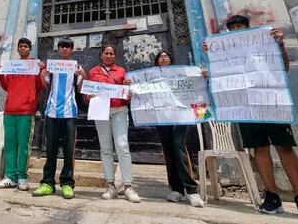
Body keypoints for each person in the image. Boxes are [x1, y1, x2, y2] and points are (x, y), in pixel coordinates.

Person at [216, 15, 298, 219]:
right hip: (246, 107)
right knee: (259, 149)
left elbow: (284, 68)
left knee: (284, 148)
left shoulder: (267, 44)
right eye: (233, 27)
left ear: (248, 27)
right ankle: (272, 197)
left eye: (240, 26)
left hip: (272, 104)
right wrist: (212, 58)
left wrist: (280, 45)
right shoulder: (226, 51)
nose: (237, 29)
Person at [32, 38, 86, 199]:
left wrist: (84, 75)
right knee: (51, 149)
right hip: (52, 112)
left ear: (71, 50)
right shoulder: (52, 66)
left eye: (67, 47)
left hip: (70, 113)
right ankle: (47, 183)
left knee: (69, 151)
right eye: (62, 47)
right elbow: (46, 86)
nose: (64, 49)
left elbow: (81, 88)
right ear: (59, 49)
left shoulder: (77, 67)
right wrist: (42, 76)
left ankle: (67, 184)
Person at [86, 45, 141, 203]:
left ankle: (128, 186)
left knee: (122, 145)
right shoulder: (93, 72)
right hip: (101, 111)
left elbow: (127, 96)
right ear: (101, 55)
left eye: (111, 53)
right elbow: (88, 94)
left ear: (115, 56)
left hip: (119, 110)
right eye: (106, 53)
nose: (108, 55)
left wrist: (127, 88)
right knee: (105, 148)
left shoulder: (122, 72)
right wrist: (88, 96)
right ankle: (111, 186)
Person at [153, 50, 205, 208]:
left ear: (170, 60)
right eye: (161, 56)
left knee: (179, 146)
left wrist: (203, 75)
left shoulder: (180, 74)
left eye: (166, 56)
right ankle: (176, 188)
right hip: (162, 117)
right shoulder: (151, 77)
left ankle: (191, 189)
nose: (164, 58)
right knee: (168, 150)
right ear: (157, 62)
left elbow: (195, 83)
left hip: (181, 116)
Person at [0, 38, 44, 191]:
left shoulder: (35, 65)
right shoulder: (12, 67)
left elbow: (41, 85)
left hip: (26, 110)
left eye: (26, 46)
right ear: (17, 49)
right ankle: (10, 177)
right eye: (21, 46)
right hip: (10, 110)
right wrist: (0, 74)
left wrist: (42, 71)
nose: (23, 49)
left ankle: (22, 176)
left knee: (24, 145)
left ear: (30, 49)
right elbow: (6, 86)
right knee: (10, 144)